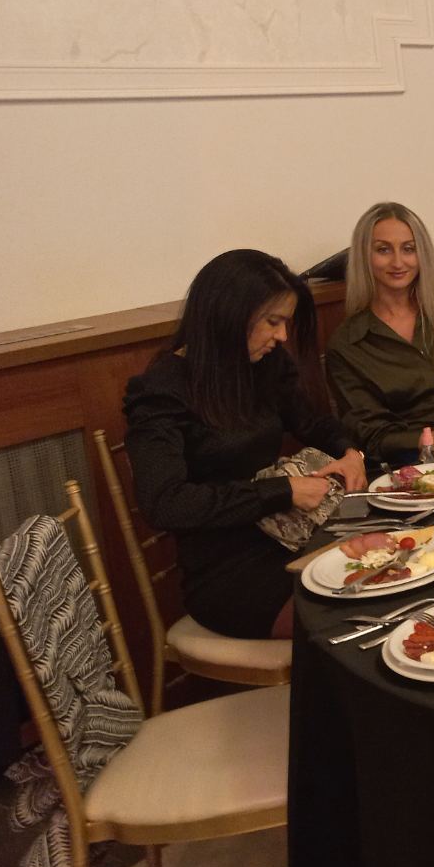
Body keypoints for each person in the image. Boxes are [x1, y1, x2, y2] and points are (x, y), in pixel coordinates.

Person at [124, 250, 367, 640]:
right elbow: (165, 503)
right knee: (354, 619)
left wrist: (350, 452)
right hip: (228, 571)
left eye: (285, 323)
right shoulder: (162, 391)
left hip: (290, 537)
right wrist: (282, 491)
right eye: (273, 322)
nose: (282, 336)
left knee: (396, 575)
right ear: (230, 315)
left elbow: (311, 422)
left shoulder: (265, 364)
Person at [327, 202, 434, 461]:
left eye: (409, 249)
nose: (398, 262)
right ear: (364, 257)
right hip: (405, 463)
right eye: (383, 250)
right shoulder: (348, 343)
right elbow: (373, 436)